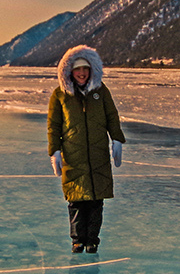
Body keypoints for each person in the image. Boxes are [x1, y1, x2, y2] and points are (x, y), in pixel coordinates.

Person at [47, 45, 125, 254]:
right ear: (69, 72)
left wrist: (116, 139)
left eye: (85, 69)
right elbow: (54, 125)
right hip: (73, 156)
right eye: (77, 70)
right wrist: (54, 151)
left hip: (98, 155)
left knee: (96, 202)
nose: (82, 73)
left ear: (92, 70)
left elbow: (111, 116)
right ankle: (77, 240)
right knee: (76, 202)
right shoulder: (60, 95)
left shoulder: (101, 91)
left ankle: (92, 240)